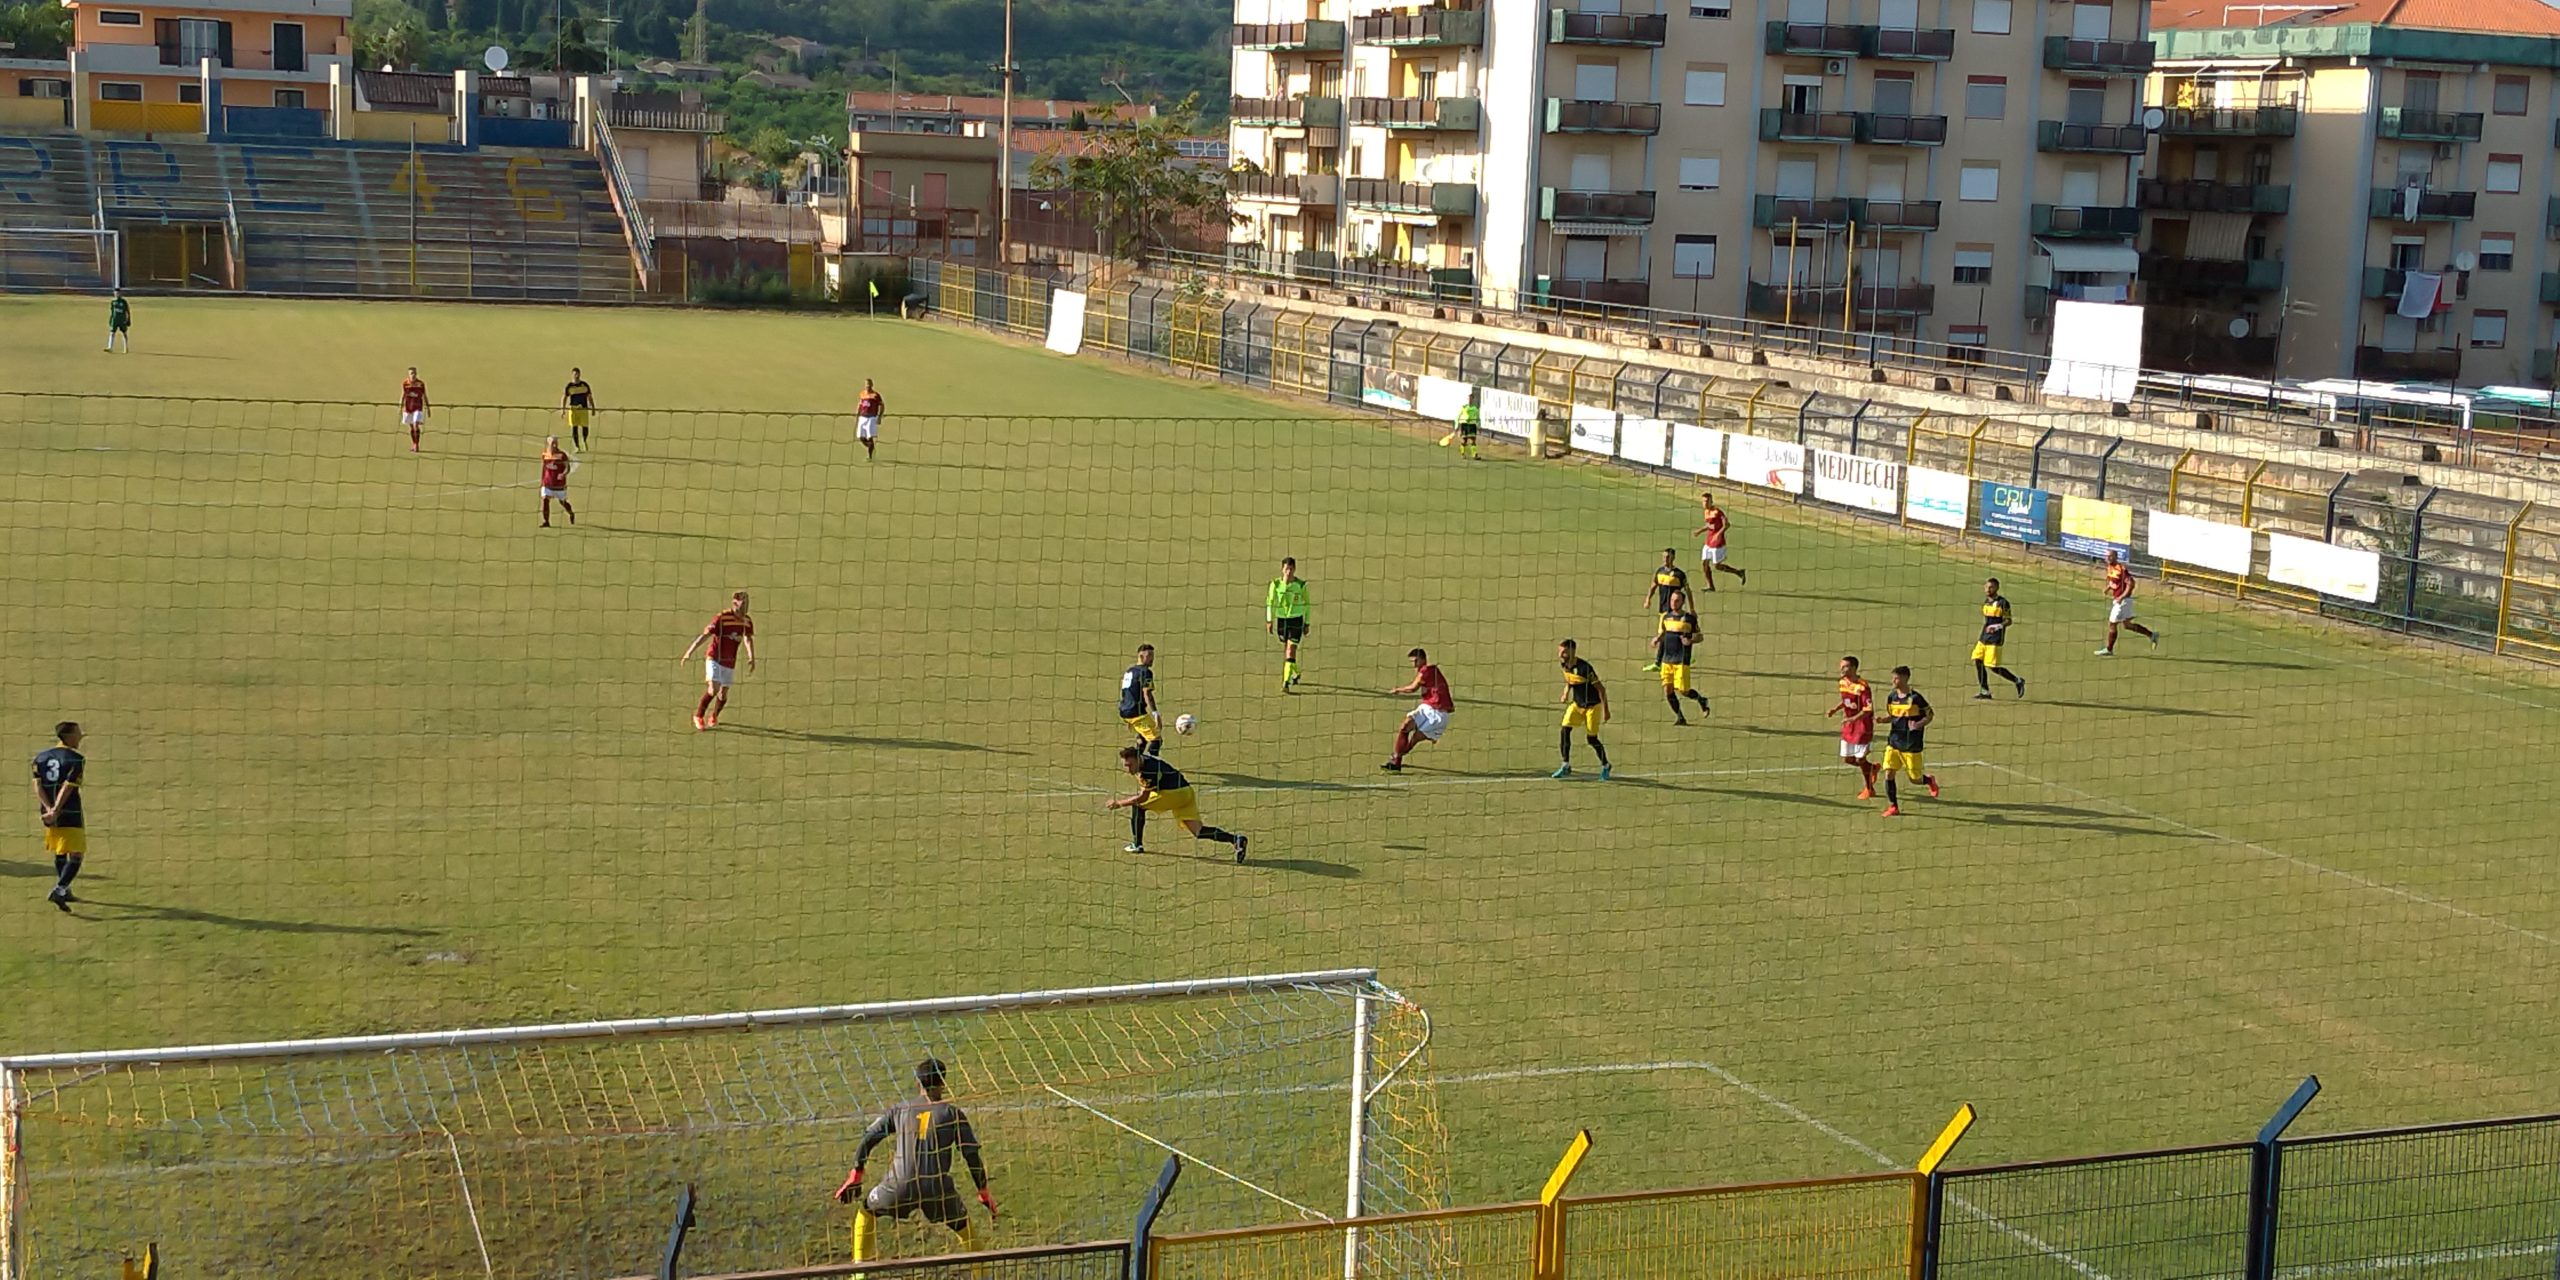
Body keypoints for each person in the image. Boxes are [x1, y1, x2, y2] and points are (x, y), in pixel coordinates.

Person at [834, 1058, 997, 1260]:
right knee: (965, 1229)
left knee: (866, 1211)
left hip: (899, 1185)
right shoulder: (953, 1114)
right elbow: (971, 1156)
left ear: (917, 1082)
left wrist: (856, 1174)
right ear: (942, 1083)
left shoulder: (899, 1110)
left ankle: (859, 1269)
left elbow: (869, 1139)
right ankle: (980, 1272)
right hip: (937, 1189)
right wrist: (983, 1191)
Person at [1107, 745, 1248, 862]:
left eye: (1130, 765)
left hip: (1174, 794)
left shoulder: (1148, 771)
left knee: (1138, 806)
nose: (1128, 769)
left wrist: (1119, 803)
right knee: (1198, 831)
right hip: (1187, 792)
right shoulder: (1145, 760)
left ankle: (1137, 845)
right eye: (1125, 766)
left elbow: (1142, 797)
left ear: (1138, 759)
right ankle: (1236, 840)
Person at [678, 592, 756, 730]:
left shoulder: (747, 621)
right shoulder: (722, 618)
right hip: (714, 657)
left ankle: (714, 716)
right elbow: (706, 635)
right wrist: (689, 652)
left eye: (747, 603)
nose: (746, 607)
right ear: (735, 604)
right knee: (714, 688)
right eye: (743, 604)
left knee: (723, 694)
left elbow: (747, 638)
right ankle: (698, 716)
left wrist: (751, 657)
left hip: (730, 661)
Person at [31, 721, 85, 912]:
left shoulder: (40, 757)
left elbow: (37, 785)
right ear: (69, 736)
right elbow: (68, 787)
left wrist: (48, 809)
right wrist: (56, 809)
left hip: (47, 813)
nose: (81, 736)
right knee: (76, 853)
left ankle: (65, 890)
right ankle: (60, 889)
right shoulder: (76, 759)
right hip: (68, 810)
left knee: (60, 850)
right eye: (78, 733)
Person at [1879, 665, 1940, 817]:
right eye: (1893, 678)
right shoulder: (1892, 697)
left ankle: (1928, 780)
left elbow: (1930, 714)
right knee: (1889, 773)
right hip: (1894, 742)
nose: (1893, 681)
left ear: (1905, 678)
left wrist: (1919, 724)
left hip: (1911, 744)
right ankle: (1893, 806)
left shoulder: (1916, 698)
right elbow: (1894, 717)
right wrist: (1883, 720)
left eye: (1896, 678)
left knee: (1915, 779)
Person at [1381, 647, 1453, 772]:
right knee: (1405, 726)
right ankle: (1396, 761)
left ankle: (1396, 758)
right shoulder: (1430, 671)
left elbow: (1413, 688)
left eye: (1416, 661)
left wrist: (1398, 690)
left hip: (1439, 715)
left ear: (1423, 659)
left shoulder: (1426, 671)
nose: (1414, 665)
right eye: (1412, 662)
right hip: (1427, 707)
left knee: (1414, 739)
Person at [1552, 639, 1612, 780]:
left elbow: (1601, 689)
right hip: (1577, 705)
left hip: (1592, 707)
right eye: (1560, 651)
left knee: (1591, 739)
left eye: (1563, 652)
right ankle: (1565, 765)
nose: (1560, 655)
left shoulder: (1585, 668)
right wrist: (1566, 693)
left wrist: (1606, 710)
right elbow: (1570, 680)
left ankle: (1606, 765)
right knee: (1564, 730)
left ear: (1572, 651)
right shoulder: (1564, 664)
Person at [1652, 591, 1712, 724]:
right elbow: (1664, 633)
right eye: (1672, 600)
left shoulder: (1689, 619)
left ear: (1682, 602)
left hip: (1682, 659)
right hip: (1667, 659)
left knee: (1684, 691)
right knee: (1668, 690)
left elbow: (1700, 636)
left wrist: (1691, 640)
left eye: (1677, 600)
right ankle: (1680, 717)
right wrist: (1657, 639)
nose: (1673, 603)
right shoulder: (1666, 617)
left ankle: (1702, 700)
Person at [1826, 656, 1881, 799]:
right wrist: (1835, 709)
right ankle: (1872, 768)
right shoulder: (1842, 682)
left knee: (1861, 759)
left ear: (1854, 668)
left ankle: (1869, 789)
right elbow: (1846, 701)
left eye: (1845, 666)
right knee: (1848, 759)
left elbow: (1868, 709)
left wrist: (1852, 718)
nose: (1841, 669)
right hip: (1849, 726)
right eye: (1841, 666)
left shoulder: (1863, 686)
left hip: (1862, 726)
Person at [2097, 550, 2161, 656]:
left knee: (2112, 623)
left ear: (2115, 557)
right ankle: (2152, 635)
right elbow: (2114, 581)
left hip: (2123, 601)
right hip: (2121, 600)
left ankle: (2109, 649)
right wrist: (2108, 588)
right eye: (2106, 556)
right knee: (2127, 625)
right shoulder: (2110, 567)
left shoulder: (2121, 568)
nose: (2107, 558)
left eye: (2110, 556)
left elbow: (2131, 583)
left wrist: (2122, 597)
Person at [1972, 577, 2027, 700]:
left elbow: (2008, 620)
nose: (1988, 589)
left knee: (1993, 667)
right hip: (1984, 637)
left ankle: (2017, 680)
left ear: (1996, 588)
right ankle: (1985, 691)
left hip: (1995, 639)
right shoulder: (1986, 602)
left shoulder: (2003, 603)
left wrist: (1997, 626)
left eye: (1991, 587)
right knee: (1977, 660)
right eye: (1986, 587)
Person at [1266, 557, 1310, 692]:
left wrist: (1307, 622)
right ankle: (1296, 672)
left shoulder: (1301, 586)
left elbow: (1307, 604)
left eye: (1291, 569)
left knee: (1291, 649)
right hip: (1282, 620)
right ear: (1282, 569)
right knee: (1288, 650)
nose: (1289, 572)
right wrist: (1269, 620)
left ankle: (1286, 682)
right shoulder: (1275, 585)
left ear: (1294, 569)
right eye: (1286, 569)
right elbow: (1270, 602)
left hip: (1296, 620)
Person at [1693, 494, 1748, 591]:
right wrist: (1699, 531)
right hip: (1709, 541)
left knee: (1717, 566)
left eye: (1707, 501)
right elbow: (1709, 525)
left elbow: (1727, 524)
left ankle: (1738, 572)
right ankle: (1710, 586)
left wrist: (1718, 534)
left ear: (1711, 502)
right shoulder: (1706, 512)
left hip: (1717, 543)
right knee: (1704, 563)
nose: (1705, 503)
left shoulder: (1717, 512)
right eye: (1704, 501)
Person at [1118, 644, 1162, 757]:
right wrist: (1155, 713)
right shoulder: (1146, 672)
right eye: (1149, 655)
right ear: (1141, 657)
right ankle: (1151, 764)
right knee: (1156, 739)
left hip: (1124, 710)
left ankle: (1136, 760)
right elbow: (1147, 693)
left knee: (1143, 737)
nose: (1152, 659)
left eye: (1153, 655)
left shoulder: (1129, 671)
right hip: (1136, 713)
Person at [537, 436, 575, 528]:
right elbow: (544, 468)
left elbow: (567, 467)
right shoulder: (545, 454)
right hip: (547, 483)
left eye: (555, 443)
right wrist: (542, 480)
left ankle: (571, 513)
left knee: (563, 502)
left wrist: (563, 474)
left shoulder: (562, 455)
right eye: (552, 443)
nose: (554, 445)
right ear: (548, 444)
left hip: (559, 485)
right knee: (545, 500)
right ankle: (546, 521)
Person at [562, 368, 597, 451]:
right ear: (572, 375)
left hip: (583, 409)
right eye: (575, 374)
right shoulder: (569, 386)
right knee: (574, 428)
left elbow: (590, 397)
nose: (576, 376)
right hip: (573, 409)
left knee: (585, 427)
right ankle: (577, 446)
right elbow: (564, 398)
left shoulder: (584, 385)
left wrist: (593, 408)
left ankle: (584, 441)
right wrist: (563, 410)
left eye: (578, 374)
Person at [399, 367, 429, 453]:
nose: (413, 375)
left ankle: (417, 445)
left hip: (418, 408)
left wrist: (428, 407)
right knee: (411, 426)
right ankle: (414, 443)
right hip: (408, 408)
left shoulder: (420, 384)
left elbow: (424, 396)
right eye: (411, 373)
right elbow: (403, 395)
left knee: (416, 424)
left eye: (414, 373)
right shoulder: (405, 383)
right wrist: (400, 406)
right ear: (409, 374)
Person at [857, 378, 885, 461]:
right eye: (866, 384)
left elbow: (882, 405)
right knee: (861, 437)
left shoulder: (876, 395)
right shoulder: (862, 394)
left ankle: (869, 456)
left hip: (871, 418)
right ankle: (871, 447)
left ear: (872, 385)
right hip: (862, 417)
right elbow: (860, 404)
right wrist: (857, 414)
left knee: (869, 436)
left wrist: (879, 417)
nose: (868, 386)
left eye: (869, 384)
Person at [1455, 396, 1481, 461]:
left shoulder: (1475, 409)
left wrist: (1479, 426)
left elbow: (1478, 418)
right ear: (1467, 399)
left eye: (1470, 399)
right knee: (1464, 440)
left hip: (1472, 425)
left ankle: (1474, 455)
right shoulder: (1464, 407)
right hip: (1464, 425)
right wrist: (1456, 426)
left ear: (1473, 400)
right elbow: (1458, 416)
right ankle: (1462, 454)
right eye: (1468, 399)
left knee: (1473, 440)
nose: (1469, 400)